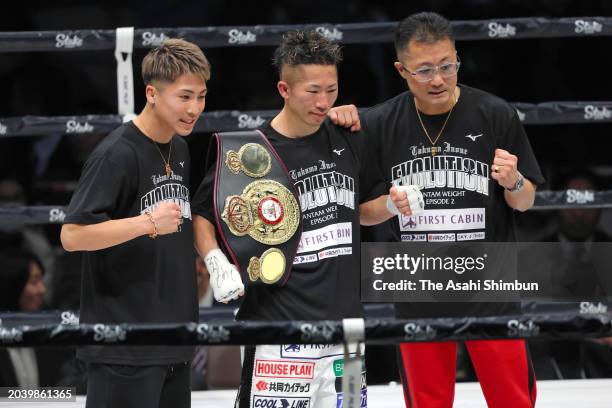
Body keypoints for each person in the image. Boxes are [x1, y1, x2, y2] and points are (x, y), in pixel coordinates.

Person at [330, 12, 544, 408]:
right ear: (401, 69)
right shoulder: (378, 123)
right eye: (424, 70)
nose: (438, 79)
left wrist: (513, 180)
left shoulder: (495, 113)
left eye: (447, 66)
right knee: (427, 403)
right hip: (418, 287)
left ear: (457, 58)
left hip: (489, 285)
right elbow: (361, 212)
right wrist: (391, 206)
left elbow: (526, 201)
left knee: (512, 400)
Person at [192, 30, 372, 407]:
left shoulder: (349, 137)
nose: (323, 102)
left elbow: (363, 210)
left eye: (331, 90)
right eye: (312, 91)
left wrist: (396, 203)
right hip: (279, 333)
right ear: (284, 89)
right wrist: (214, 259)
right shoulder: (248, 153)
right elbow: (202, 215)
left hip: (349, 335)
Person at [60, 38, 210, 408]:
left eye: (202, 96)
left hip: (174, 340)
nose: (195, 109)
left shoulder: (180, 146)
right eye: (185, 96)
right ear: (152, 93)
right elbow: (72, 235)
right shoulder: (115, 154)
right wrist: (145, 223)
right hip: (124, 346)